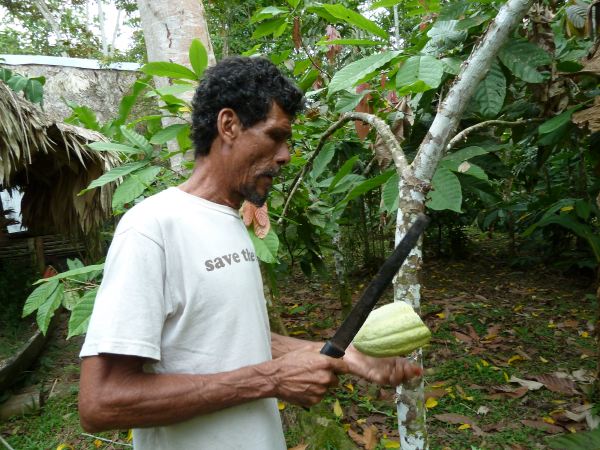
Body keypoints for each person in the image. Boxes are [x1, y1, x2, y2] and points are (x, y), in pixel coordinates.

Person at [78, 56, 422, 450]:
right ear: (229, 126)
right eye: (276, 136)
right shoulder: (152, 228)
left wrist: (352, 359)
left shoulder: (230, 220)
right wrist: (271, 379)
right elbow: (101, 402)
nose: (285, 155)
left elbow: (229, 336)